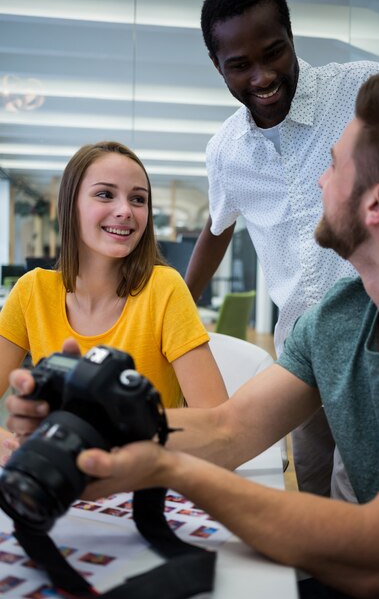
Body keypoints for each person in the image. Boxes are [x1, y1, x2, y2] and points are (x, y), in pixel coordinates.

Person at [8, 75, 379, 599]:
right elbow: (229, 428)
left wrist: (168, 469)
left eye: (335, 165)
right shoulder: (338, 319)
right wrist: (82, 431)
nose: (319, 181)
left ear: (377, 203)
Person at [184, 0, 379, 499]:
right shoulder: (226, 151)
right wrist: (171, 303)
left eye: (274, 52)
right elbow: (217, 229)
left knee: (359, 496)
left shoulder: (361, 90)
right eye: (239, 65)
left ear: (292, 36)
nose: (261, 77)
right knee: (313, 486)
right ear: (216, 65)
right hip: (301, 347)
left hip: (378, 335)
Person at [0, 141, 227, 450]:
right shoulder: (32, 291)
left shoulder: (164, 288)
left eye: (138, 199)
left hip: (143, 477)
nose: (125, 211)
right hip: (66, 479)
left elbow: (218, 425)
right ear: (70, 204)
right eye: (105, 194)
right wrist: (17, 449)